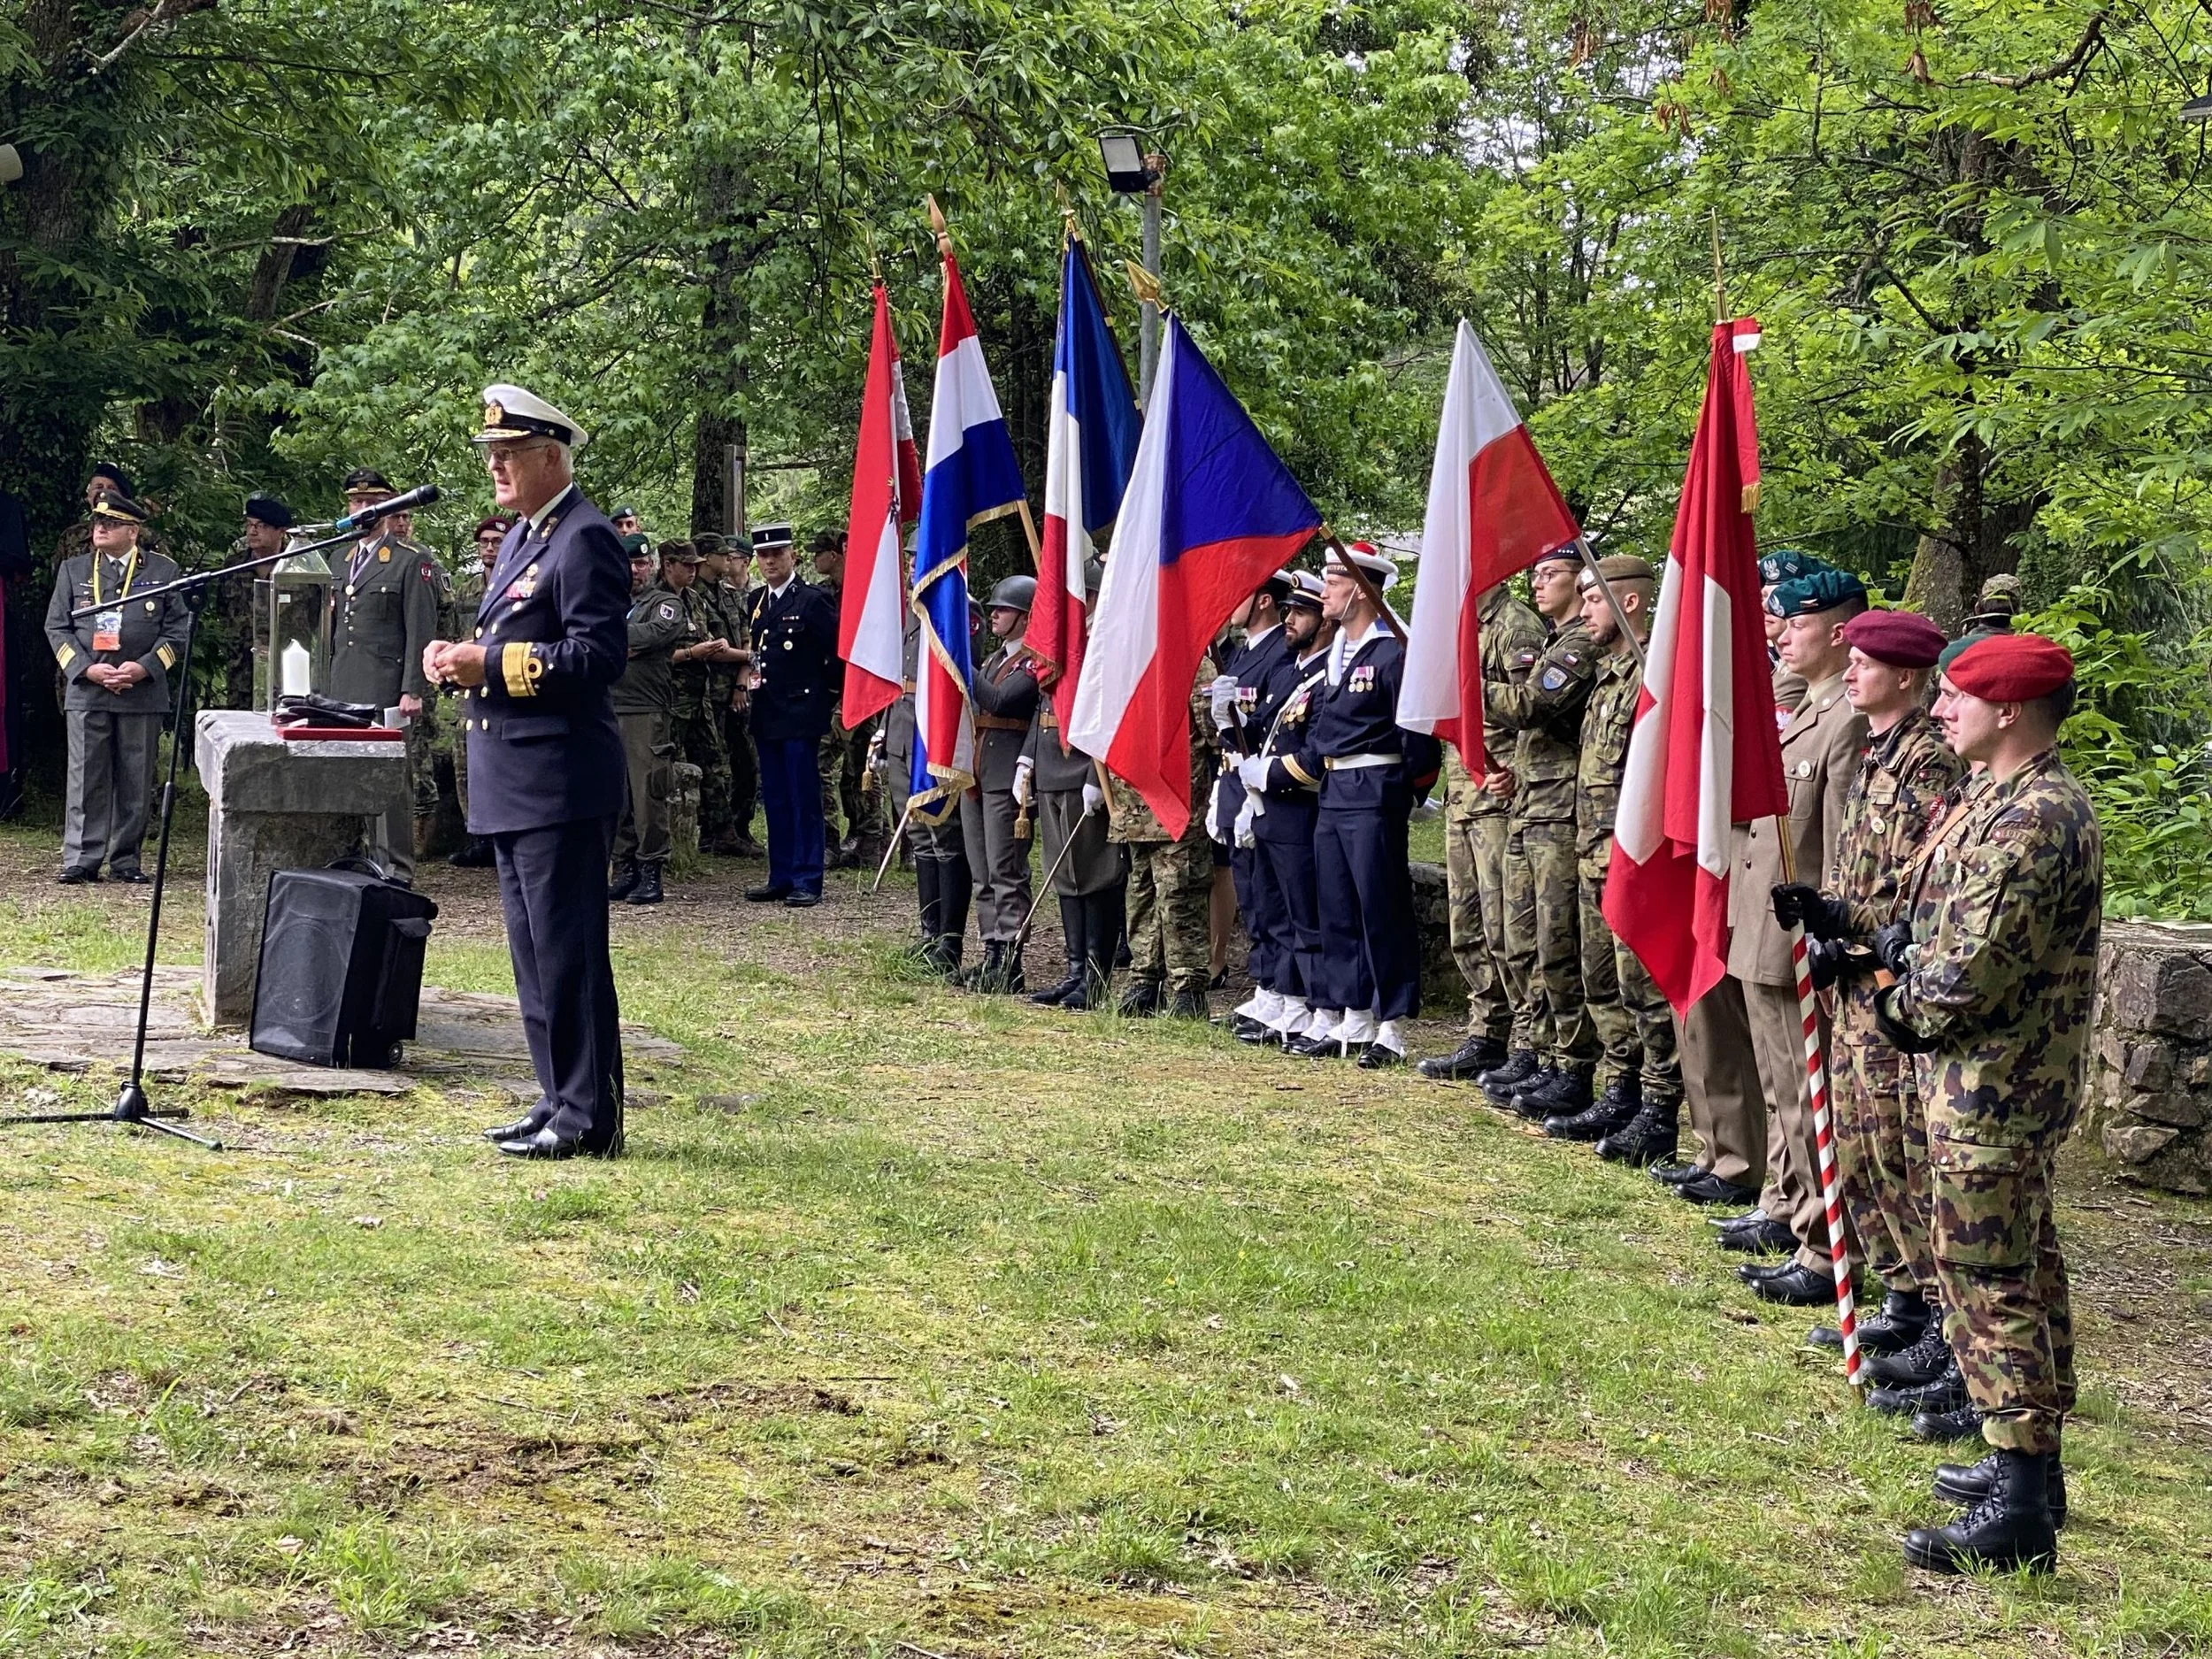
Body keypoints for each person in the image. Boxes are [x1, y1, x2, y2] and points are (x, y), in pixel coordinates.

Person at [1872, 634, 2098, 1574]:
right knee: (2016, 1268)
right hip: (1988, 1080)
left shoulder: (2034, 817)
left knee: (1990, 1279)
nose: (1938, 709)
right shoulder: (2003, 801)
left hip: (1995, 1085)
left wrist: (1889, 992)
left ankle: (2019, 1509)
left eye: (1957, 695)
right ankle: (2030, 1477)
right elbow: (1941, 919)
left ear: (2008, 710)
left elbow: (1964, 976)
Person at [423, 384, 629, 1160]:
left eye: (508, 455)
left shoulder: (586, 537)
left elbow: (596, 656)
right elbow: (507, 636)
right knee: (534, 951)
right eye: (490, 456)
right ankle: (557, 1096)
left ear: (551, 456)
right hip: (514, 777)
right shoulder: (520, 538)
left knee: (568, 949)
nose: (495, 468)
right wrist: (455, 663)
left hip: (560, 778)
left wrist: (492, 663)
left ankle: (589, 1117)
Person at [1770, 608, 1962, 1372]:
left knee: (1898, 1152)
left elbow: (1917, 888)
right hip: (1852, 976)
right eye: (1848, 661)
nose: (1849, 672)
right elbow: (1858, 865)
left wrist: (1847, 922)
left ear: (1907, 677)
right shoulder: (1878, 752)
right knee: (1857, 1149)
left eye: (1866, 663)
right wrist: (1828, 925)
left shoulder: (1926, 763)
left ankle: (1930, 1315)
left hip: (1889, 981)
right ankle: (1901, 1297)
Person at [1719, 567, 1871, 1308]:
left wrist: (1833, 930)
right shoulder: (1809, 709)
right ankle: (1788, 1206)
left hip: (1798, 938)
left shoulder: (1845, 721)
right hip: (1761, 921)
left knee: (1808, 1097)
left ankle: (1822, 1244)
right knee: (1783, 1089)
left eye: (1797, 625)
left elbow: (1841, 847)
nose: (1781, 635)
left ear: (1839, 633)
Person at [1246, 543, 1437, 1067]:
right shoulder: (1334, 655)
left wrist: (1405, 790)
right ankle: (1353, 1010)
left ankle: (1391, 1022)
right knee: (1336, 908)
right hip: (1331, 792)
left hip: (1373, 789)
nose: (1324, 591)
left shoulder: (1392, 651)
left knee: (1381, 908)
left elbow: (1418, 733)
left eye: (1333, 581)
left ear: (1359, 588)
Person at [1552, 557, 1683, 1153]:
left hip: (1633, 860)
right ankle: (1621, 1087)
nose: (1583, 611)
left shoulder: (1655, 677)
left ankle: (1659, 1104)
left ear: (1628, 603)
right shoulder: (1608, 677)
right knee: (1599, 981)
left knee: (1643, 988)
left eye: (1593, 600)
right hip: (1591, 853)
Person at [1481, 549, 1599, 1113]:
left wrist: (1465, 690)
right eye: (1534, 572)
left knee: (1557, 942)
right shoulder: (1555, 641)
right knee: (1520, 938)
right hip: (1532, 800)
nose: (1537, 580)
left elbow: (1535, 703)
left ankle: (1571, 1063)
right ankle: (1542, 1050)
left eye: (1550, 573)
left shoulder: (1579, 644)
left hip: (1560, 810)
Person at [1421, 580, 1548, 1080]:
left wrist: (1513, 769)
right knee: (1467, 926)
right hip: (1462, 795)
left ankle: (1525, 1039)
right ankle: (1486, 1030)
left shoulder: (1514, 626)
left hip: (1497, 794)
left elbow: (1535, 714)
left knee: (1506, 927)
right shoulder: (1458, 629)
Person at [43, 490, 188, 885]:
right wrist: (85, 669)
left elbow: (178, 633)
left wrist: (143, 669)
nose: (100, 528)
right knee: (86, 775)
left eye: (110, 523)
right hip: (88, 688)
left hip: (139, 691)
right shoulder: (74, 570)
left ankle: (126, 859)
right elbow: (56, 627)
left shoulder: (163, 571)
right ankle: (81, 858)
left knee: (135, 778)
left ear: (133, 530)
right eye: (97, 522)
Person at [327, 465, 444, 883]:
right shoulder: (339, 557)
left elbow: (420, 629)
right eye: (356, 502)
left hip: (387, 687)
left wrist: (413, 688)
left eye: (371, 503)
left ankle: (395, 864)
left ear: (388, 508)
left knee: (391, 779)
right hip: (341, 685)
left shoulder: (411, 560)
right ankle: (348, 853)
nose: (362, 509)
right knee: (345, 774)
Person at [1025, 565, 1125, 1010]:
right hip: (1050, 768)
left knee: (1095, 874)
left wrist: (1094, 774)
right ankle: (1074, 971)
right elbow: (1045, 698)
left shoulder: (1107, 641)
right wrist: (1027, 758)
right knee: (1063, 874)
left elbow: (1111, 712)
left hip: (1085, 769)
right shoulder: (1060, 637)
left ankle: (1097, 975)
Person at [1244, 571, 1336, 1045]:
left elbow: (1313, 751)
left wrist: (1271, 775)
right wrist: (1230, 721)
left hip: (1300, 807)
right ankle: (1283, 995)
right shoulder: (1288, 673)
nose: (1289, 620)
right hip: (1267, 810)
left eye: (1300, 612)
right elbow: (1260, 728)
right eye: (1288, 611)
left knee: (1305, 913)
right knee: (1271, 908)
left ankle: (1312, 1001)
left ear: (1323, 621)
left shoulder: (1327, 676)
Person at [1108, 652, 1221, 1020]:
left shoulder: (1193, 662)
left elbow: (1215, 733)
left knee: (1179, 894)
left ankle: (1188, 988)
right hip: (1133, 801)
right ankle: (1145, 979)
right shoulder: (1126, 657)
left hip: (1178, 801)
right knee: (1140, 892)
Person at [1208, 573, 1295, 1039]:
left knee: (1270, 896)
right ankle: (1266, 990)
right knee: (1252, 895)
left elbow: (1268, 725)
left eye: (1238, 592)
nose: (1230, 602)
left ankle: (1281, 990)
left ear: (1264, 600)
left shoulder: (1279, 652)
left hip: (1265, 789)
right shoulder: (1241, 651)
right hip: (1236, 785)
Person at [744, 522, 840, 906]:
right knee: (777, 799)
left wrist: (825, 699)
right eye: (763, 556)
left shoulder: (812, 600)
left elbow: (834, 657)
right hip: (767, 711)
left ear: (792, 556)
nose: (770, 561)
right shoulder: (757, 601)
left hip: (801, 712)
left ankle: (807, 877)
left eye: (777, 554)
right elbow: (757, 654)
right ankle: (780, 874)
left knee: (803, 796)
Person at [957, 574, 1042, 992]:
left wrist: (958, 660)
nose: (994, 615)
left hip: (1008, 777)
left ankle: (1010, 955)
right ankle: (991, 948)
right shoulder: (993, 660)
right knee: (982, 871)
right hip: (977, 772)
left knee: (1006, 869)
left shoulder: (1032, 661)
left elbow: (1002, 700)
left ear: (1025, 617)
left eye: (1003, 609)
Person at [885, 605, 973, 974]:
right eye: (908, 561)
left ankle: (950, 941)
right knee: (920, 836)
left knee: (945, 838)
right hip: (904, 731)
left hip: (936, 737)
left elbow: (960, 679)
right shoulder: (908, 613)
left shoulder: (958, 609)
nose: (911, 568)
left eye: (914, 560)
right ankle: (930, 933)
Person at [608, 534, 687, 906]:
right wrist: (617, 642)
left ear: (652, 565)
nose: (634, 570)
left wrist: (607, 639)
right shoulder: (607, 602)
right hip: (607, 709)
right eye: (627, 563)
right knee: (615, 796)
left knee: (648, 795)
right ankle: (623, 868)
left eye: (640, 563)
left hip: (646, 712)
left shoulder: (666, 603)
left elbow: (655, 634)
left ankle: (651, 868)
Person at [809, 528, 887, 870]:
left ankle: (870, 837)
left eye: (819, 552)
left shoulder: (865, 591)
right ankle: (855, 837)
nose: (814, 559)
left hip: (861, 688)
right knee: (847, 765)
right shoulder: (824, 594)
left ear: (836, 554)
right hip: (831, 688)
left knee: (857, 765)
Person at [659, 541, 741, 856]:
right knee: (667, 767)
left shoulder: (694, 599)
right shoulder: (656, 601)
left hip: (700, 695)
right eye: (686, 565)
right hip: (670, 697)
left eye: (695, 565)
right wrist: (691, 653)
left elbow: (707, 639)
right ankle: (666, 840)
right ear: (668, 565)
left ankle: (721, 833)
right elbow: (651, 655)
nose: (692, 571)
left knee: (714, 763)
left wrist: (721, 649)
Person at [445, 514, 515, 868]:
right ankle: (478, 835)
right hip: (467, 686)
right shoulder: (466, 590)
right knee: (465, 762)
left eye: (497, 542)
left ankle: (503, 834)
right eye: (484, 542)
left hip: (505, 678)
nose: (489, 549)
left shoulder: (516, 584)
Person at [714, 532, 764, 855]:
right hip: (717, 688)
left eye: (731, 557)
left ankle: (743, 823)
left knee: (748, 759)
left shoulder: (757, 595)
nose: (726, 562)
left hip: (748, 686)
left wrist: (742, 681)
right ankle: (722, 828)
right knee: (723, 759)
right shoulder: (716, 594)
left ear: (744, 561)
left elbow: (753, 644)